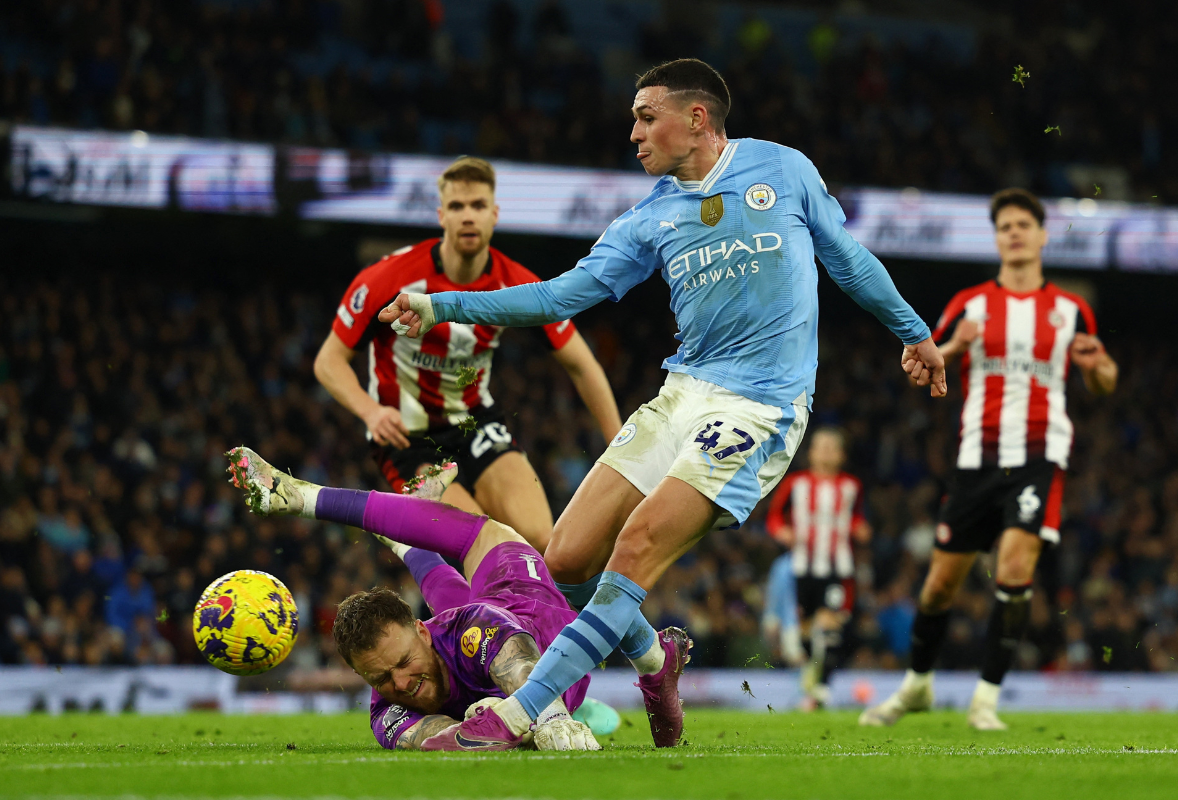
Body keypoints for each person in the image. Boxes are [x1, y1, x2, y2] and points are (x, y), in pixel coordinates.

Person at [381, 58, 946, 750]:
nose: (634, 134)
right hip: (682, 393)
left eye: (646, 117)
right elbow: (558, 297)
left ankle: (518, 713)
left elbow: (849, 258)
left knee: (638, 544)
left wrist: (916, 333)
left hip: (759, 406)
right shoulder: (648, 217)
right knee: (563, 559)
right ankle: (657, 660)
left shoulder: (783, 171)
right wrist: (440, 304)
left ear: (696, 119)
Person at [859, 188, 1118, 731]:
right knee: (939, 586)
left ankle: (985, 700)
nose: (1015, 233)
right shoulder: (971, 304)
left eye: (1025, 224)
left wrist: (1096, 368)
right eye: (1006, 226)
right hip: (977, 458)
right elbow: (926, 360)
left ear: (1043, 236)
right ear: (997, 238)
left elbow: (1104, 381)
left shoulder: (1072, 310)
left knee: (1015, 568)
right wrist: (955, 346)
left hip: (1040, 454)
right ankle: (917, 686)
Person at [313, 156, 621, 552]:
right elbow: (328, 361)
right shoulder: (388, 278)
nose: (468, 216)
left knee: (544, 545)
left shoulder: (515, 283)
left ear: (494, 215)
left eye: (477, 206)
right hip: (409, 438)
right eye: (457, 207)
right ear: (441, 215)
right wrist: (370, 412)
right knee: (484, 544)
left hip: (474, 422)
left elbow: (582, 364)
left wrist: (619, 448)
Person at [225, 446, 604, 751]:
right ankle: (411, 527)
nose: (402, 684)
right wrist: (494, 726)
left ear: (423, 632)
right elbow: (438, 740)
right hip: (468, 629)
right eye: (382, 677)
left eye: (404, 662)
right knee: (459, 616)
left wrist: (550, 716)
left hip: (516, 590)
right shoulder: (386, 710)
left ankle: (299, 496)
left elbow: (524, 671)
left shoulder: (476, 628)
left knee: (483, 535)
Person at [764, 427, 870, 709]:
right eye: (820, 446)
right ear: (810, 453)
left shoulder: (851, 486)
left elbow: (856, 517)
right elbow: (773, 517)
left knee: (832, 626)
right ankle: (812, 685)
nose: (825, 452)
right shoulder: (795, 484)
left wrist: (860, 529)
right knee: (807, 631)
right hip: (802, 569)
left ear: (841, 455)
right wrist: (782, 533)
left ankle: (821, 688)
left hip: (838, 568)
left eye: (831, 447)